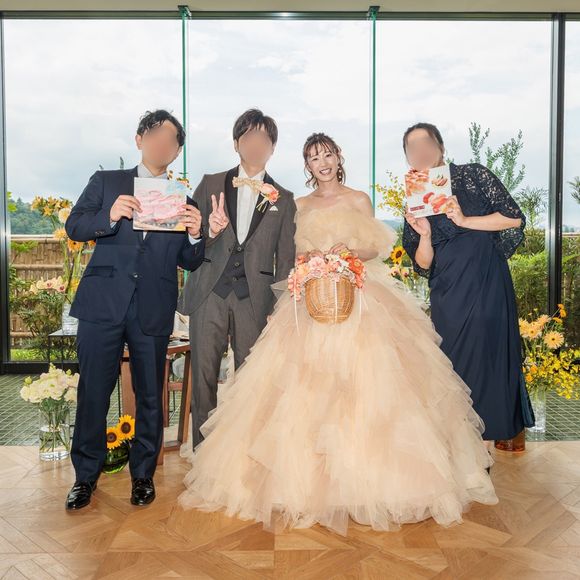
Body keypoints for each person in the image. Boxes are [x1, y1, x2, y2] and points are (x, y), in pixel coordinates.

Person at [172, 132, 497, 537]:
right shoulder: (298, 204)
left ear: (338, 157)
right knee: (297, 389)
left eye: (327, 155)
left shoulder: (359, 199)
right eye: (313, 158)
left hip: (357, 298)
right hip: (311, 301)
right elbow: (287, 253)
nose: (322, 162)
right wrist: (309, 259)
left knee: (369, 385)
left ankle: (370, 481)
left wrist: (349, 253)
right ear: (307, 166)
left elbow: (375, 247)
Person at [64, 110, 205, 510]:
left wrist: (197, 235)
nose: (163, 145)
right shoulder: (107, 182)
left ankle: (143, 475)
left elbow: (189, 261)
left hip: (153, 308)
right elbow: (75, 226)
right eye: (155, 136)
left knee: (150, 396)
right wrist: (109, 215)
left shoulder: (183, 200)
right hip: (102, 304)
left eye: (171, 141)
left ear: (176, 152)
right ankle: (85, 477)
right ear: (139, 139)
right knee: (94, 392)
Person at [402, 122, 531, 449]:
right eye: (412, 148)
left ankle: (483, 449)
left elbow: (514, 218)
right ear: (408, 158)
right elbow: (423, 263)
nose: (421, 151)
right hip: (448, 292)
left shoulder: (473, 175)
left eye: (426, 143)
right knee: (452, 366)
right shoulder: (415, 199)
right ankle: (460, 447)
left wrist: (464, 220)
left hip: (487, 282)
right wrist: (425, 234)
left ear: (441, 147)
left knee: (488, 360)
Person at [179, 109, 296, 447]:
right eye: (249, 137)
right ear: (236, 143)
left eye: (264, 139)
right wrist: (210, 231)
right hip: (209, 293)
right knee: (203, 376)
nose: (256, 144)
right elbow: (190, 239)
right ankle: (202, 451)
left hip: (256, 299)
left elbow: (285, 260)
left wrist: (279, 307)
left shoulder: (285, 199)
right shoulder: (211, 183)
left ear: (272, 147)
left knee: (251, 379)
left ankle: (244, 451)